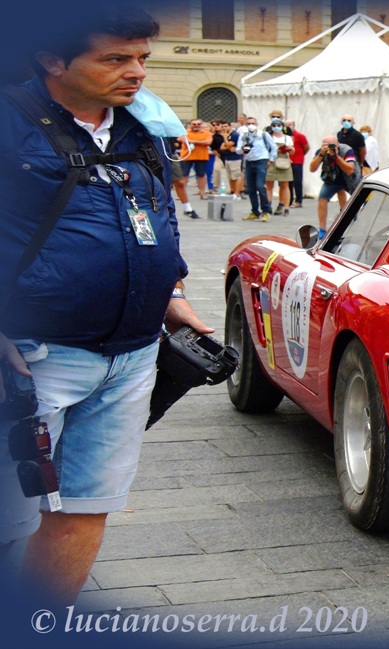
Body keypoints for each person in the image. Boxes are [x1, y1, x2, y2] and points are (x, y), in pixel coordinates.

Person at [0, 3, 211, 607]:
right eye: (115, 58)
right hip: (33, 358)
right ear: (51, 59)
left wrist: (172, 295)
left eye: (142, 57)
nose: (136, 71)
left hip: (132, 356)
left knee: (88, 505)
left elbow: (157, 218)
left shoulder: (139, 128)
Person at [309, 135, 360, 239]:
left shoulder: (346, 150)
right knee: (322, 199)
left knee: (358, 202)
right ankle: (322, 229)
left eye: (332, 145)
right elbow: (312, 168)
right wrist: (321, 155)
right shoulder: (321, 151)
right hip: (331, 180)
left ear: (338, 144)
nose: (330, 147)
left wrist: (336, 157)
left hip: (349, 180)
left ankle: (349, 217)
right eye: (326, 145)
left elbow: (350, 170)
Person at [237, 116, 276, 220]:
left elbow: (273, 147)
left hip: (261, 160)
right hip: (249, 161)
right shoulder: (243, 136)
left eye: (253, 123)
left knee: (260, 185)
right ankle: (254, 211)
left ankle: (266, 210)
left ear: (257, 124)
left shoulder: (263, 134)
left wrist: (271, 160)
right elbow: (237, 150)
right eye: (248, 123)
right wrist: (242, 148)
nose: (251, 125)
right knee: (251, 188)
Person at [264, 117, 293, 220]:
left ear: (282, 127)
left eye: (278, 125)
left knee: (285, 185)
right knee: (269, 185)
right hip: (270, 161)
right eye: (274, 126)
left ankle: (285, 207)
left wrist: (289, 149)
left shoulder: (287, 138)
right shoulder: (268, 136)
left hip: (283, 161)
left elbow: (293, 151)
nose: (276, 127)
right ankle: (268, 206)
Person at [179, 117, 211, 200]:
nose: (196, 125)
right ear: (190, 125)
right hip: (186, 156)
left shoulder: (206, 133)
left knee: (201, 175)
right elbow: (181, 139)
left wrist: (191, 141)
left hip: (201, 157)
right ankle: (181, 194)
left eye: (198, 124)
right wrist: (201, 142)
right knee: (184, 175)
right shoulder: (185, 132)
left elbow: (208, 142)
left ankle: (202, 192)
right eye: (194, 124)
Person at [217, 121, 243, 199]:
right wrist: (227, 145)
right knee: (230, 176)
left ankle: (237, 193)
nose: (224, 128)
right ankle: (233, 191)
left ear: (230, 126)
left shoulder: (234, 135)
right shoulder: (227, 135)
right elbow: (222, 147)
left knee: (236, 176)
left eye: (225, 126)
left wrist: (225, 138)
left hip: (235, 158)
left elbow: (228, 145)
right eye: (222, 127)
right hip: (227, 157)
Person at [286, 119, 308, 207]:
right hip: (287, 161)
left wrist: (300, 155)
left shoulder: (299, 136)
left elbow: (306, 147)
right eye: (287, 124)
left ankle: (298, 200)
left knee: (297, 181)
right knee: (288, 181)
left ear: (294, 125)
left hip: (297, 161)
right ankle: (289, 200)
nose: (288, 126)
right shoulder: (284, 137)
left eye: (290, 124)